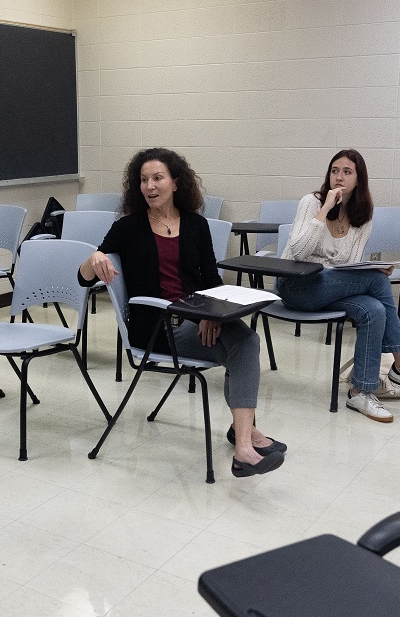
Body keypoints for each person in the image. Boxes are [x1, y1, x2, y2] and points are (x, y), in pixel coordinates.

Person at [78, 148, 286, 478]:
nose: (150, 186)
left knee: (245, 339)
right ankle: (245, 442)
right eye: (144, 180)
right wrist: (94, 259)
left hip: (195, 320)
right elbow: (83, 277)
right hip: (156, 329)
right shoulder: (128, 227)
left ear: (176, 182)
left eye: (158, 178)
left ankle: (243, 439)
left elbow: (211, 282)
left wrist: (212, 315)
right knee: (242, 346)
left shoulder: (195, 225)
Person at [275, 149, 400, 424]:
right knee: (377, 280)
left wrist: (363, 270)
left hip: (330, 288)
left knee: (374, 309)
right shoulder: (311, 202)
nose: (339, 177)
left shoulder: (363, 215)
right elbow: (297, 251)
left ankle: (361, 390)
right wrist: (324, 210)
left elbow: (349, 265)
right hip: (296, 285)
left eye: (347, 172)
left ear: (359, 180)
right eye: (334, 171)